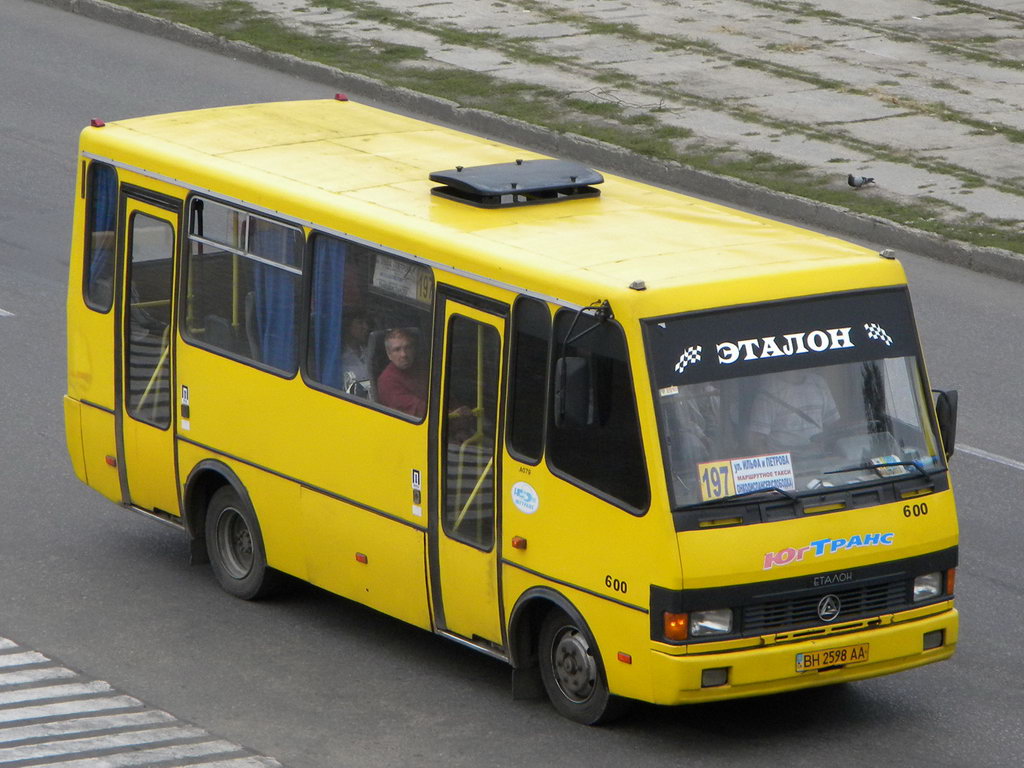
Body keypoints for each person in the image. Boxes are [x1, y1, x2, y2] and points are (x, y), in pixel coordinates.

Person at [748, 370, 839, 453]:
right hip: (787, 464)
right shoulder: (767, 393)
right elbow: (757, 440)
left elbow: (834, 424)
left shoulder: (819, 383)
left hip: (820, 459)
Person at [377, 328, 428, 417]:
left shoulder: (423, 368)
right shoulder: (387, 381)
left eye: (408, 347)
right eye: (397, 350)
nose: (404, 354)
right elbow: (419, 410)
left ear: (414, 349)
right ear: (389, 355)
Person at [341, 310, 371, 396]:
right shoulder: (340, 357)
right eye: (360, 323)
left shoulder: (369, 352)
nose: (365, 327)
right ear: (348, 326)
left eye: (366, 323)